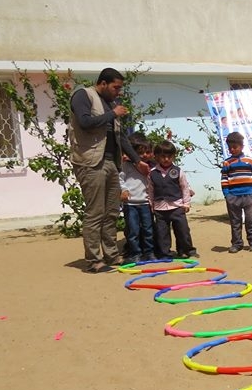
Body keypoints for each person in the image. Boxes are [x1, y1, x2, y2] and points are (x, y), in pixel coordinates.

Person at [68, 67, 149, 273]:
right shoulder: (82, 95)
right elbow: (85, 122)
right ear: (103, 83)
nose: (118, 92)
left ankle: (112, 255)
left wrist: (137, 160)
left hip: (112, 163)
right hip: (91, 162)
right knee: (95, 212)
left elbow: (121, 137)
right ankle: (94, 260)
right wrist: (113, 113)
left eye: (120, 88)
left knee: (112, 212)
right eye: (116, 87)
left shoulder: (111, 103)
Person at [147, 140, 199, 259]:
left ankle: (186, 250)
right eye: (163, 156)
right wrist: (151, 205)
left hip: (177, 206)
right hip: (160, 209)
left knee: (182, 230)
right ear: (156, 157)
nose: (166, 159)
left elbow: (185, 188)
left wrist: (186, 204)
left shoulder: (178, 171)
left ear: (173, 156)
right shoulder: (152, 173)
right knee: (162, 233)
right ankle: (165, 253)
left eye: (169, 156)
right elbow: (150, 190)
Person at [220, 131, 252, 253]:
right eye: (230, 148)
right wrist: (227, 195)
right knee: (235, 222)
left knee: (251, 220)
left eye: (235, 147)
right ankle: (237, 244)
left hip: (249, 196)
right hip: (233, 197)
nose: (232, 150)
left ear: (242, 146)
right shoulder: (227, 163)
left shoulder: (250, 161)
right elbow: (224, 180)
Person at [119, 132, 156, 262]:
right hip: (131, 204)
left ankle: (149, 252)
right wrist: (123, 190)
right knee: (133, 230)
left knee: (148, 229)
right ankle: (135, 253)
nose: (144, 156)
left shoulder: (152, 167)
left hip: (146, 203)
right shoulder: (125, 165)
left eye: (147, 152)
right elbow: (120, 179)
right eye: (140, 153)